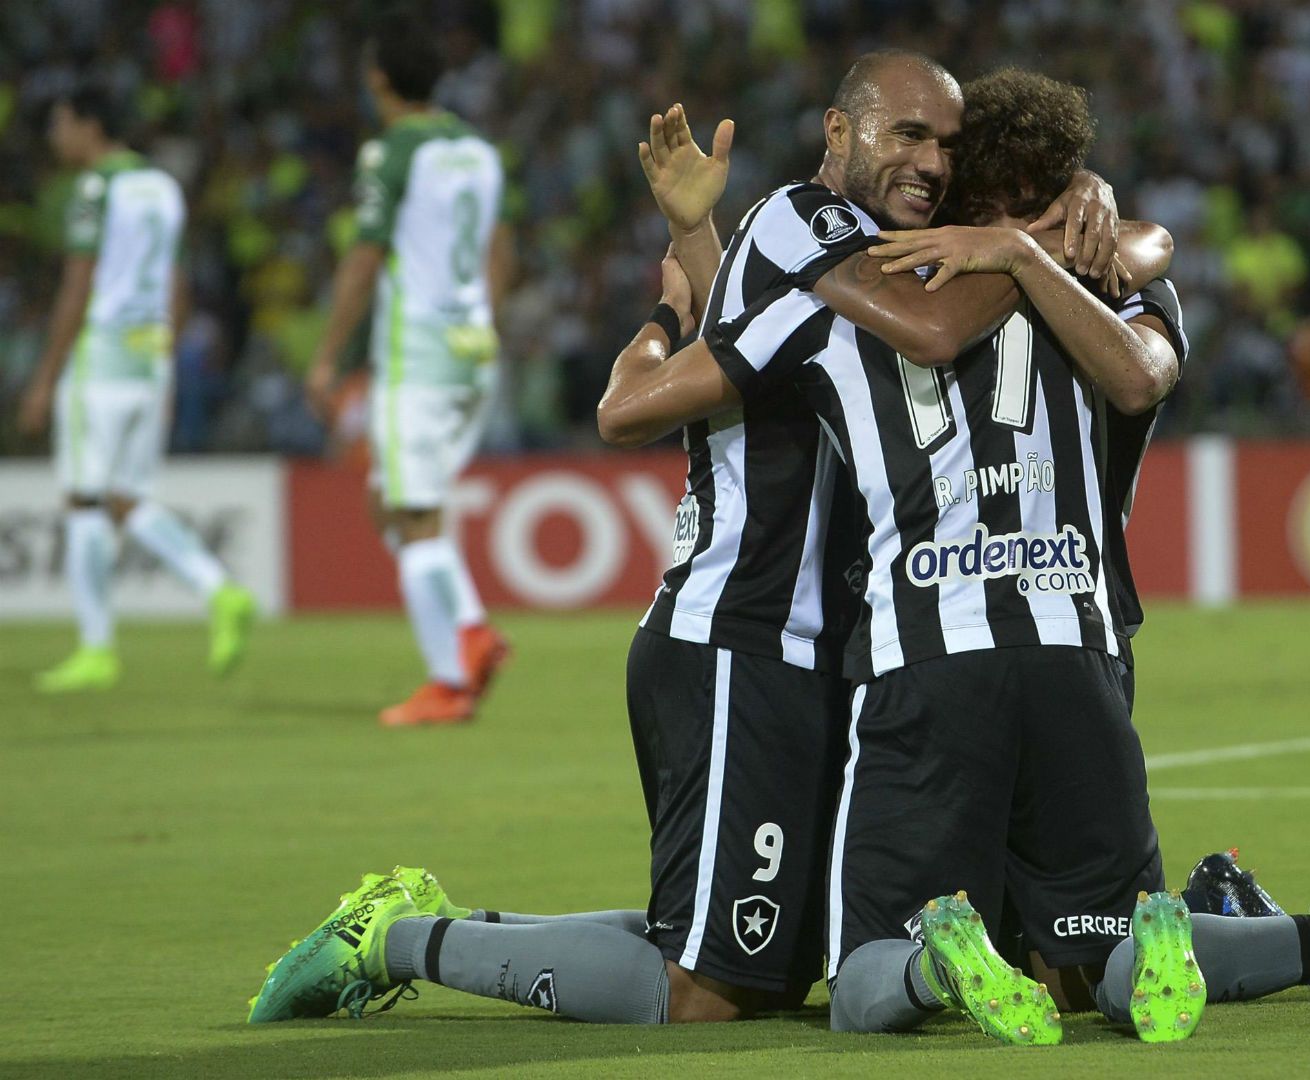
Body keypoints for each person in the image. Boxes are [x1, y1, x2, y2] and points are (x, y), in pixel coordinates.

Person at [248, 50, 1129, 1027]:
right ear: (840, 133)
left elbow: (764, 341)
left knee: (777, 956)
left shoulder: (886, 253)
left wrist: (1076, 192)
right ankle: (394, 940)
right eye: (908, 135)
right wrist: (1046, 231)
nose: (931, 162)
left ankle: (462, 922)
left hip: (837, 649)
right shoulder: (814, 225)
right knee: (709, 993)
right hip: (743, 637)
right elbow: (672, 392)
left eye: (947, 148)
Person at [605, 67, 1310, 1045]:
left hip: (935, 644)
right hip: (1082, 628)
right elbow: (1143, 352)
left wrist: (685, 288)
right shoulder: (1117, 274)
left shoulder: (884, 293)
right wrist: (1060, 236)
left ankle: (1237, 922)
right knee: (1075, 962)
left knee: (919, 967)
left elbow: (660, 394)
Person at [305, 13, 514, 726]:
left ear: (379, 80)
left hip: (417, 357)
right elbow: (501, 252)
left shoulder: (392, 152)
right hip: (472, 352)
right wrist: (485, 324)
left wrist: (329, 354)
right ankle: (473, 630)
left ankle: (449, 681)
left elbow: (364, 258)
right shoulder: (480, 151)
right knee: (385, 498)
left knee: (413, 512)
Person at [17, 86, 255, 694]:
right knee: (127, 498)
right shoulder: (162, 187)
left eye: (62, 123)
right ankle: (217, 587)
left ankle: (97, 648)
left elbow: (78, 285)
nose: (55, 137)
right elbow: (177, 284)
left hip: (99, 359)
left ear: (90, 125)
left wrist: (45, 377)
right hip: (149, 358)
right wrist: (163, 358)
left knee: (83, 500)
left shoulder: (96, 189)